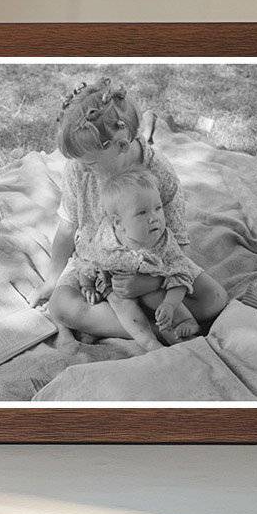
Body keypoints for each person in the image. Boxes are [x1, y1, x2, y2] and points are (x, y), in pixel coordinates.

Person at [29, 77, 227, 340]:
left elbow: (178, 241)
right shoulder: (78, 170)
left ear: (121, 145)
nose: (83, 168)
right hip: (98, 265)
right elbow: (68, 227)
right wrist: (53, 280)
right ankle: (155, 327)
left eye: (90, 163)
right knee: (60, 306)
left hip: (155, 264)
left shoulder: (159, 172)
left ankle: (146, 316)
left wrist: (151, 282)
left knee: (214, 299)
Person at [80, 169, 202, 347]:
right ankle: (148, 341)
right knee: (122, 304)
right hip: (117, 285)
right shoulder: (106, 241)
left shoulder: (163, 241)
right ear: (118, 223)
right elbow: (89, 260)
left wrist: (169, 304)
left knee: (158, 298)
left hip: (152, 282)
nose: (154, 218)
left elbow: (180, 272)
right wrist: (86, 285)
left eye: (158, 208)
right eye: (142, 213)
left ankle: (184, 325)